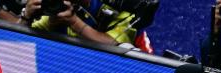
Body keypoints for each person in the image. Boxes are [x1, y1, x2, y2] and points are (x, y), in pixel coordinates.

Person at [20, 0, 155, 51]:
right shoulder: (61, 6)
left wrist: (73, 22)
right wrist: (26, 16)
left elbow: (113, 44)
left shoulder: (123, 6)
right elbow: (20, 42)